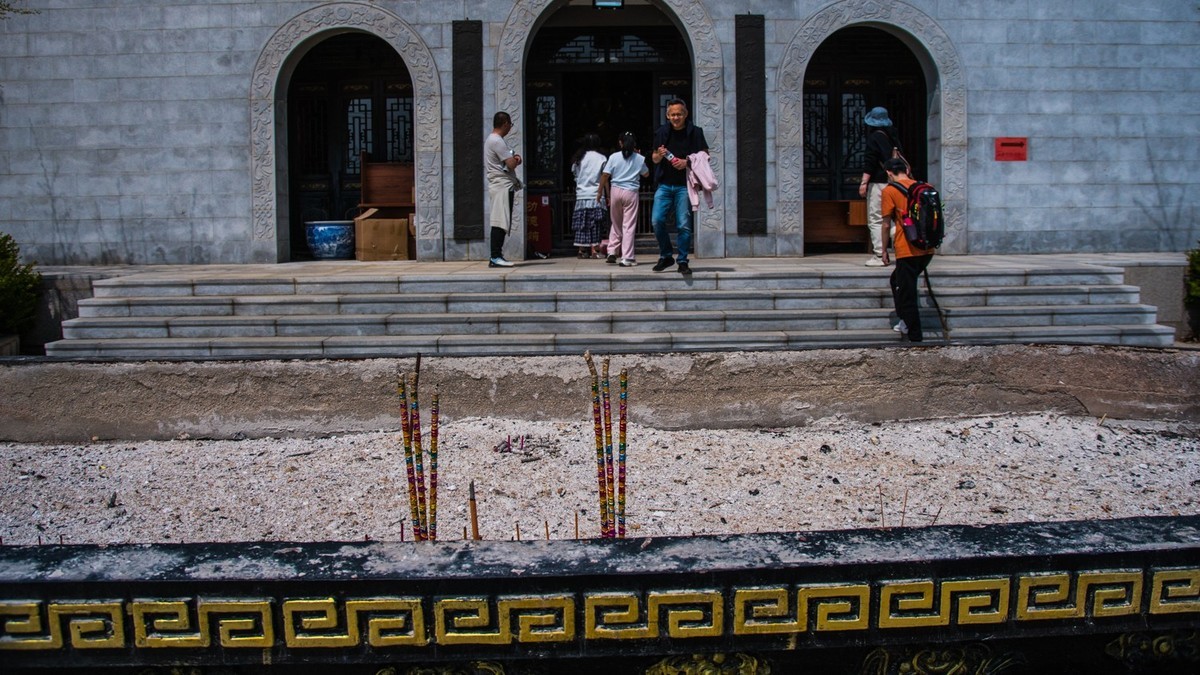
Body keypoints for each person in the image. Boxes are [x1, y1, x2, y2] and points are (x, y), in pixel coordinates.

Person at [649, 99, 708, 275]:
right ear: (667, 115)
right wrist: (660, 155)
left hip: (685, 185)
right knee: (657, 220)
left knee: (683, 225)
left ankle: (682, 260)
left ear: (685, 114)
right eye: (673, 114)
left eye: (679, 114)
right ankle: (666, 255)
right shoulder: (662, 132)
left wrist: (686, 162)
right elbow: (654, 159)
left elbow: (705, 155)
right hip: (664, 184)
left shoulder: (695, 132)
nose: (676, 117)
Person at [879, 157, 935, 342]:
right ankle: (905, 320)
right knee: (897, 280)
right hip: (927, 248)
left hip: (907, 248)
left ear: (889, 173)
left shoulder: (890, 191)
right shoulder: (925, 186)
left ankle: (914, 334)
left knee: (907, 292)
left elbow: (886, 224)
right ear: (907, 170)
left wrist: (884, 249)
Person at [858, 106, 903, 267]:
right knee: (893, 218)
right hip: (895, 183)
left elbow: (870, 162)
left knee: (876, 219)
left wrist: (864, 182)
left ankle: (879, 254)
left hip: (878, 183)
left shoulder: (874, 138)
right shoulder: (893, 137)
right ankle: (903, 248)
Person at [598, 131, 650, 267]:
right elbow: (646, 174)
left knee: (616, 223)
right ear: (634, 144)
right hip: (630, 192)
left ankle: (612, 251)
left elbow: (605, 175)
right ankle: (627, 257)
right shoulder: (639, 158)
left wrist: (599, 192)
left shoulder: (614, 157)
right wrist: (639, 157)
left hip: (615, 191)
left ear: (620, 143)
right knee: (628, 226)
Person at [484, 111, 523, 268]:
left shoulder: (492, 139)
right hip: (501, 185)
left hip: (500, 185)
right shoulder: (497, 141)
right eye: (510, 124)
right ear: (505, 123)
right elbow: (511, 164)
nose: (510, 128)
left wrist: (513, 158)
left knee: (500, 220)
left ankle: (497, 256)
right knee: (499, 221)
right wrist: (516, 159)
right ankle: (495, 256)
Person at [570, 133, 608, 259]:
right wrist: (608, 194)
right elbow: (605, 177)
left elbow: (575, 175)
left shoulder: (578, 158)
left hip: (581, 195)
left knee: (582, 224)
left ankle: (582, 250)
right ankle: (596, 250)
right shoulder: (602, 158)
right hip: (596, 195)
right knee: (596, 224)